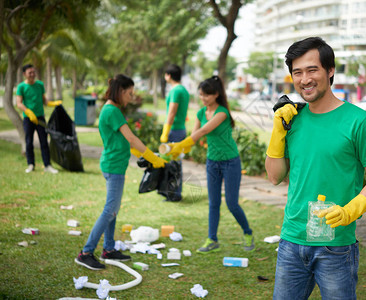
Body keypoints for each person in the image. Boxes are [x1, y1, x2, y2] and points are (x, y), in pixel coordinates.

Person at [265, 37, 366, 299]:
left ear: (330, 71)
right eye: (297, 72)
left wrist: (350, 211)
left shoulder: (358, 120)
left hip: (336, 246)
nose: (304, 79)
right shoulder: (291, 119)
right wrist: (278, 132)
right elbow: (275, 176)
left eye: (312, 70)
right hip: (292, 240)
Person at [75, 74, 166, 270]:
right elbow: (131, 138)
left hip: (114, 164)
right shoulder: (112, 111)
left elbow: (123, 141)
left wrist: (143, 155)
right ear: (121, 91)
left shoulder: (110, 109)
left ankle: (108, 249)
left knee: (112, 210)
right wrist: (153, 158)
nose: (131, 97)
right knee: (110, 210)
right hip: (113, 166)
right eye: (130, 93)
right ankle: (85, 253)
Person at [167, 76, 255, 253]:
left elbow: (204, 130)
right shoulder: (201, 113)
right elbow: (194, 136)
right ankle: (212, 239)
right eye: (200, 95)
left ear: (216, 95)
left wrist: (180, 144)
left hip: (230, 162)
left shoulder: (222, 112)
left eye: (206, 95)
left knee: (231, 203)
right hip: (212, 162)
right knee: (213, 203)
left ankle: (248, 232)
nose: (203, 98)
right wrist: (177, 149)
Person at [16, 64, 62, 174]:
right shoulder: (21, 87)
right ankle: (30, 164)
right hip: (28, 118)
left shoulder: (40, 85)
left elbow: (44, 100)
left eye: (33, 72)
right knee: (29, 142)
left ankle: (47, 165)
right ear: (24, 74)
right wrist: (28, 112)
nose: (32, 74)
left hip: (40, 117)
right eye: (29, 73)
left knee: (44, 141)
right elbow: (18, 103)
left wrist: (52, 103)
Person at [160, 64, 190, 201]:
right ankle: (173, 192)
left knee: (173, 163)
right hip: (181, 128)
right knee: (175, 162)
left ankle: (174, 193)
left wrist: (165, 131)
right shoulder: (183, 90)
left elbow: (172, 112)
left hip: (174, 130)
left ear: (169, 75)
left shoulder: (175, 91)